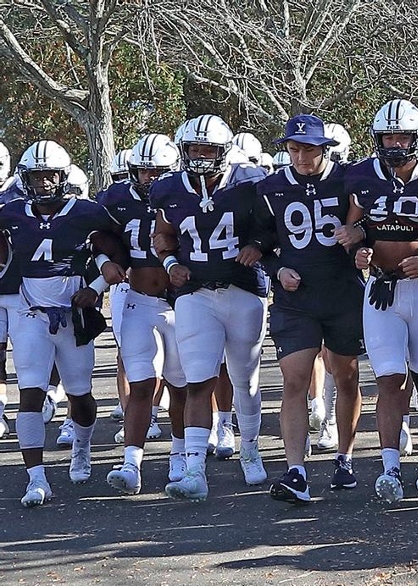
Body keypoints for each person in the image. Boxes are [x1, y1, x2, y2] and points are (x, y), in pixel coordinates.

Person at [339, 99, 418, 502]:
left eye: (402, 137)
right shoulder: (362, 176)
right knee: (390, 377)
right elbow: (352, 227)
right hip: (382, 289)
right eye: (388, 137)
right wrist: (355, 250)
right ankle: (390, 467)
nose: (395, 144)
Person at [151, 114, 270, 502]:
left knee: (244, 379)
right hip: (196, 295)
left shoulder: (250, 182)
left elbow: (272, 226)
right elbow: (163, 235)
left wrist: (259, 246)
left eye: (209, 149)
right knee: (197, 379)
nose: (201, 156)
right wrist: (171, 265)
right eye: (194, 149)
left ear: (225, 151)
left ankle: (250, 449)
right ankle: (194, 471)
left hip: (242, 290)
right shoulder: (169, 188)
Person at [3, 140, 126, 506]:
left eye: (50, 176)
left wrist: (97, 284)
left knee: (80, 394)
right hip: (30, 315)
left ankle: (82, 449)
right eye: (37, 177)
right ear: (25, 179)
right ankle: (35, 478)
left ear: (63, 176)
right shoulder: (10, 212)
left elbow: (119, 248)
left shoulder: (86, 211)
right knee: (30, 392)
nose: (43, 184)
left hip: (73, 316)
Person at [254, 114, 366, 504]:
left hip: (342, 295)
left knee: (347, 378)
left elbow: (373, 222)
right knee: (294, 380)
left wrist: (360, 234)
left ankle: (344, 457)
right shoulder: (269, 188)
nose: (301, 156)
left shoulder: (348, 180)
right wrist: (277, 268)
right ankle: (296, 470)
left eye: (310, 148)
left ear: (325, 148)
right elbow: (261, 244)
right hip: (295, 300)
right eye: (295, 148)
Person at [97, 133, 189, 494]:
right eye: (144, 171)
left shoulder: (186, 196)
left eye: (157, 172)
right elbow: (99, 235)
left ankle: (180, 454)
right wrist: (106, 260)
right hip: (138, 300)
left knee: (182, 385)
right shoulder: (117, 199)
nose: (150, 178)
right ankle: (131, 462)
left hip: (182, 304)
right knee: (141, 384)